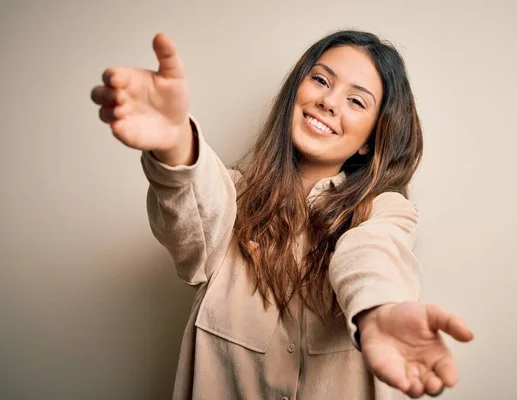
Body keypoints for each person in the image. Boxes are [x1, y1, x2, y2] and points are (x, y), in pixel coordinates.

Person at [90, 30, 474, 400]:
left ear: (370, 140)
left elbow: (373, 253)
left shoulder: (386, 211)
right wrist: (174, 142)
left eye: (357, 101)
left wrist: (379, 313)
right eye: (321, 80)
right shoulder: (232, 194)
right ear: (295, 92)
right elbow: (192, 213)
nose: (329, 101)